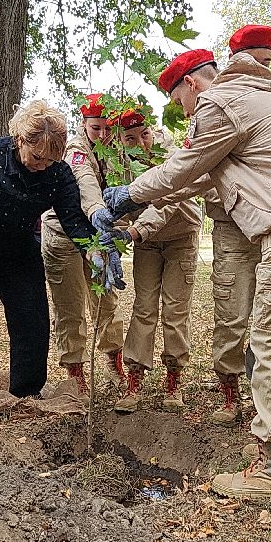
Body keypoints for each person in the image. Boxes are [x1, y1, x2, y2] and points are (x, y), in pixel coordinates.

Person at [99, 51, 271, 503]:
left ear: (193, 85)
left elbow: (183, 167)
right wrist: (138, 207)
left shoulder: (220, 104)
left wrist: (127, 193)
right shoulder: (258, 102)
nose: (184, 112)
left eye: (180, 101)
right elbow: (195, 181)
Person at [0, 100, 123, 444]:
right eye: (37, 158)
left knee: (32, 314)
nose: (42, 166)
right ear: (20, 139)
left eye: (51, 159)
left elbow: (72, 219)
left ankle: (26, 390)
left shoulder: (58, 173)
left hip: (17, 247)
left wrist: (93, 251)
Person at [106, 106, 202, 413]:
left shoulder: (170, 154)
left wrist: (134, 232)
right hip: (145, 243)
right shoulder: (117, 162)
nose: (142, 143)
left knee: (175, 310)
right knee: (144, 308)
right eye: (131, 138)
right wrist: (113, 238)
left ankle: (174, 379)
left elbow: (166, 203)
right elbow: (116, 205)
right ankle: (135, 379)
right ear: (121, 140)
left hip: (179, 238)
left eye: (145, 134)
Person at [210, 27, 271, 423]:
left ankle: (267, 395)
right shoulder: (221, 107)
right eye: (254, 63)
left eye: (267, 64)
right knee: (232, 314)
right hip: (232, 227)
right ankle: (228, 392)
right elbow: (200, 173)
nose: (261, 72)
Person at [42, 93, 125, 393]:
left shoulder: (114, 150)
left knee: (106, 301)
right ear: (83, 125)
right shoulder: (75, 149)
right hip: (64, 235)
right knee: (71, 307)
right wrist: (98, 211)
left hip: (97, 235)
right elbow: (86, 182)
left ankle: (113, 360)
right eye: (95, 128)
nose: (102, 134)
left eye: (107, 128)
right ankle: (75, 372)